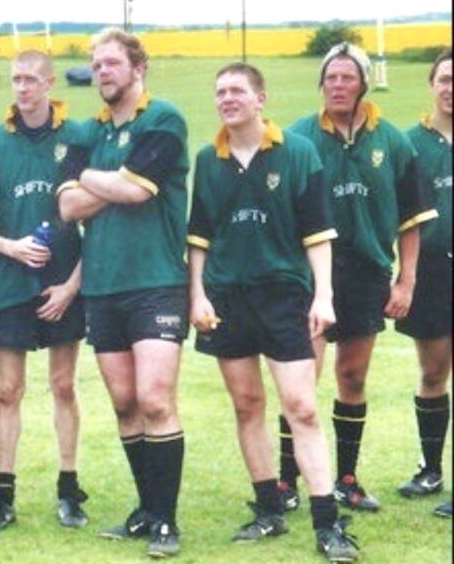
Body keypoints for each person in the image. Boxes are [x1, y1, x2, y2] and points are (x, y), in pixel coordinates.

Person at [188, 63, 359, 561]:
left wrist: (322, 294)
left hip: (284, 295)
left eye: (237, 90)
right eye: (220, 91)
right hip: (225, 296)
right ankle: (269, 509)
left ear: (260, 97)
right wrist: (197, 294)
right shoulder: (208, 157)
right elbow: (200, 236)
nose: (227, 98)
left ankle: (327, 523)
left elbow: (319, 232)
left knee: (301, 407)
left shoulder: (298, 152)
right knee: (247, 406)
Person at [282, 43, 436, 513]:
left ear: (364, 84)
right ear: (321, 85)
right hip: (311, 278)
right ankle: (289, 482)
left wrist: (406, 281)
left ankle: (346, 478)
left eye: (348, 78)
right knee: (301, 381)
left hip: (369, 274)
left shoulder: (393, 140)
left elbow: (412, 220)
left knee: (352, 376)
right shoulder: (298, 139)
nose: (339, 86)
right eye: (331, 78)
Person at [58, 29, 189, 557]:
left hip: (156, 282)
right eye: (96, 64)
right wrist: (111, 180)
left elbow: (137, 192)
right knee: (124, 402)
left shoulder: (163, 119)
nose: (102, 72)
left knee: (156, 400)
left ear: (139, 68)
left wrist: (88, 177)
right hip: (104, 286)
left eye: (112, 62)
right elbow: (67, 209)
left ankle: (167, 522)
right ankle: (146, 509)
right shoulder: (89, 129)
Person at [0, 51, 89, 532]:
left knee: (63, 385)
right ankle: (3, 497)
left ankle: (68, 489)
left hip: (64, 284)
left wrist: (71, 285)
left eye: (31, 79)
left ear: (49, 83)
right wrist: (10, 247)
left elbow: (94, 218)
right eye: (16, 79)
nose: (22, 88)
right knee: (8, 390)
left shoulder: (77, 138)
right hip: (9, 284)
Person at [394, 48, 452, 519]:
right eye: (446, 80)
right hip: (432, 269)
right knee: (434, 372)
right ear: (432, 85)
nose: (451, 89)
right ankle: (430, 469)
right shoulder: (409, 143)